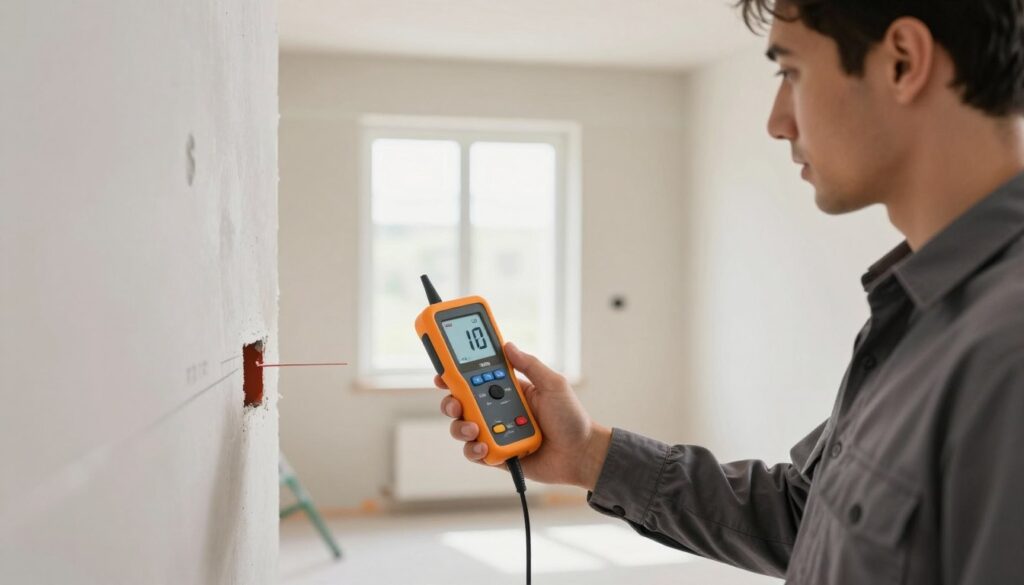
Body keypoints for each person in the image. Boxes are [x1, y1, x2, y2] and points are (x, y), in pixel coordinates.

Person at [434, 1, 1024, 583]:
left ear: (901, 61)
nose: (776, 121)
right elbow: (808, 517)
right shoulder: (916, 313)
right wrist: (586, 452)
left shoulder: (1005, 348)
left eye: (790, 71)